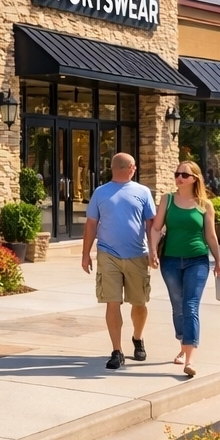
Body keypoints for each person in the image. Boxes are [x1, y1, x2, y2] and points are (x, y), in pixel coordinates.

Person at [147, 161, 220, 378]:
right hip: (170, 260)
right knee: (178, 307)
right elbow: (156, 228)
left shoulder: (205, 205)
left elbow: (210, 235)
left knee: (190, 306)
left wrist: (218, 261)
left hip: (197, 260)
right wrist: (152, 251)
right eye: (177, 174)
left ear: (195, 179)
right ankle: (183, 345)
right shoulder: (167, 199)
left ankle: (190, 359)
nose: (179, 178)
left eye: (184, 175)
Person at [81, 152, 156, 370]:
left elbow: (151, 224)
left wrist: (152, 251)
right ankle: (117, 351)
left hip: (137, 255)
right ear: (129, 167)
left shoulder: (143, 192)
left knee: (139, 302)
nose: (135, 169)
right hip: (108, 254)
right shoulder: (100, 193)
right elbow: (91, 225)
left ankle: (138, 338)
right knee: (112, 302)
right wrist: (86, 254)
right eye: (134, 166)